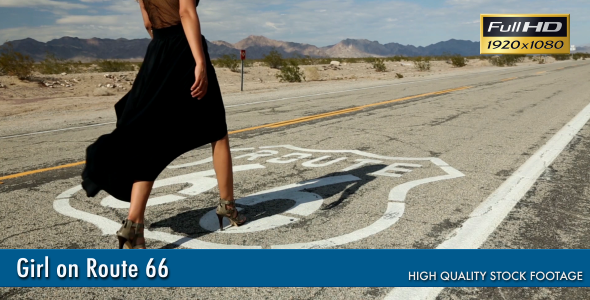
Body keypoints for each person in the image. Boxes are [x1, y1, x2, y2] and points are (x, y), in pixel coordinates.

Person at [81, 0, 245, 249]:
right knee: (217, 131)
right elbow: (186, 11)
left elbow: (148, 22)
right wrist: (199, 61)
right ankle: (228, 206)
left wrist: (163, 44)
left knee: (149, 137)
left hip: (157, 51)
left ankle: (133, 224)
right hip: (185, 50)